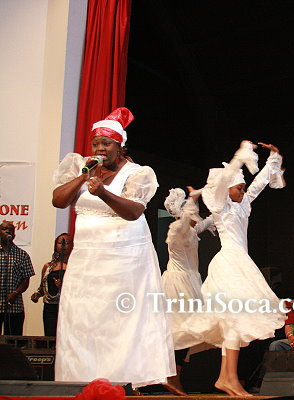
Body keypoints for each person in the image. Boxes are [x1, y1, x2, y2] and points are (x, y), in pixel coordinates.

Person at [52, 107, 175, 388]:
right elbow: (59, 201)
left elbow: (134, 212)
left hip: (124, 259)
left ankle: (122, 382)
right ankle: (83, 381)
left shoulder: (137, 173)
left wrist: (103, 193)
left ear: (120, 146)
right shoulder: (81, 167)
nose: (100, 148)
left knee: (121, 320)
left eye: (106, 143)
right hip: (86, 259)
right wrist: (84, 177)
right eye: (96, 143)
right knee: (84, 319)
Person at [181, 140, 286, 396]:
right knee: (234, 317)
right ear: (227, 189)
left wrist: (273, 158)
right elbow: (223, 182)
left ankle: (226, 377)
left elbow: (259, 184)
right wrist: (241, 156)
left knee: (234, 320)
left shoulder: (243, 204)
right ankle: (229, 378)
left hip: (240, 262)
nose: (243, 190)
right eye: (239, 187)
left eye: (242, 187)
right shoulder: (220, 206)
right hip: (229, 263)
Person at [162, 187, 215, 395]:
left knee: (187, 331)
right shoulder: (177, 231)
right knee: (181, 330)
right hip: (178, 286)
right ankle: (171, 375)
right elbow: (184, 223)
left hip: (190, 283)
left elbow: (207, 222)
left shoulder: (191, 230)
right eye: (192, 214)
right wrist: (193, 199)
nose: (195, 219)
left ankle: (174, 374)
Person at [30, 233, 73, 336]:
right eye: (60, 243)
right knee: (50, 336)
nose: (63, 246)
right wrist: (37, 294)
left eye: (67, 243)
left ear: (72, 246)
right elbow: (42, 287)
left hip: (67, 307)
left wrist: (64, 286)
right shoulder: (48, 266)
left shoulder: (74, 266)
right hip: (49, 308)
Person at [0, 220, 35, 335]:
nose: (7, 232)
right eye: (4, 229)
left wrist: (15, 293)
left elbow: (25, 280)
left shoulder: (22, 255)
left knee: (13, 340)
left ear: (14, 235)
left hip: (14, 306)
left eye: (11, 230)